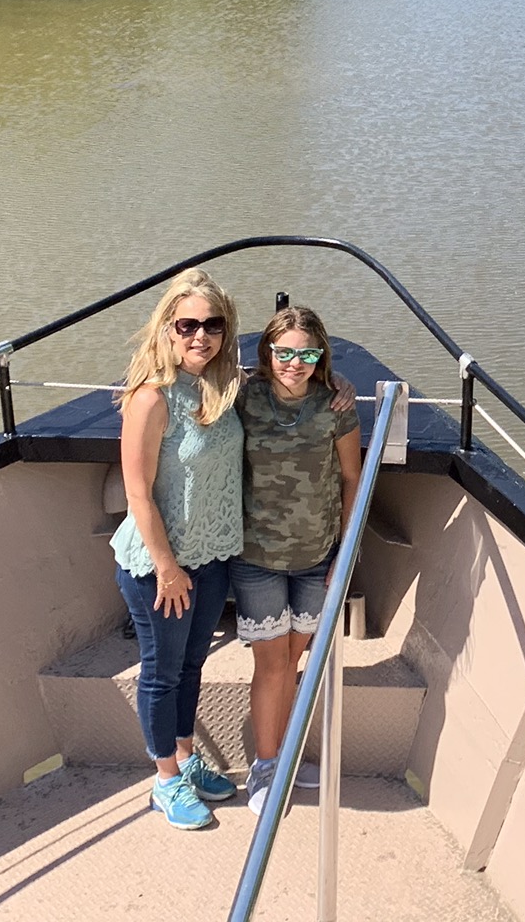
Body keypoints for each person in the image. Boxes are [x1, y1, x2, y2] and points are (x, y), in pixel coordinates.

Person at [109, 268, 246, 830]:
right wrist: (166, 567)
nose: (200, 336)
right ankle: (165, 780)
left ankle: (186, 759)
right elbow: (137, 493)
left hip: (211, 557)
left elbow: (295, 378)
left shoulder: (223, 387)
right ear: (167, 328)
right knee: (162, 671)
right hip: (159, 566)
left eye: (213, 325)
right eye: (187, 325)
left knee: (192, 664)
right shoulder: (151, 398)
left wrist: (337, 388)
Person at [231, 305, 362, 816]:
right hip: (257, 557)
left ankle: (284, 755)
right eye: (283, 353)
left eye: (306, 355)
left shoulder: (336, 404)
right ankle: (266, 767)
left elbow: (351, 477)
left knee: (293, 659)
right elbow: (196, 386)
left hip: (316, 557)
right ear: (267, 352)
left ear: (320, 356)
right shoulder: (244, 397)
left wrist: (346, 552)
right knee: (271, 664)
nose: (294, 364)